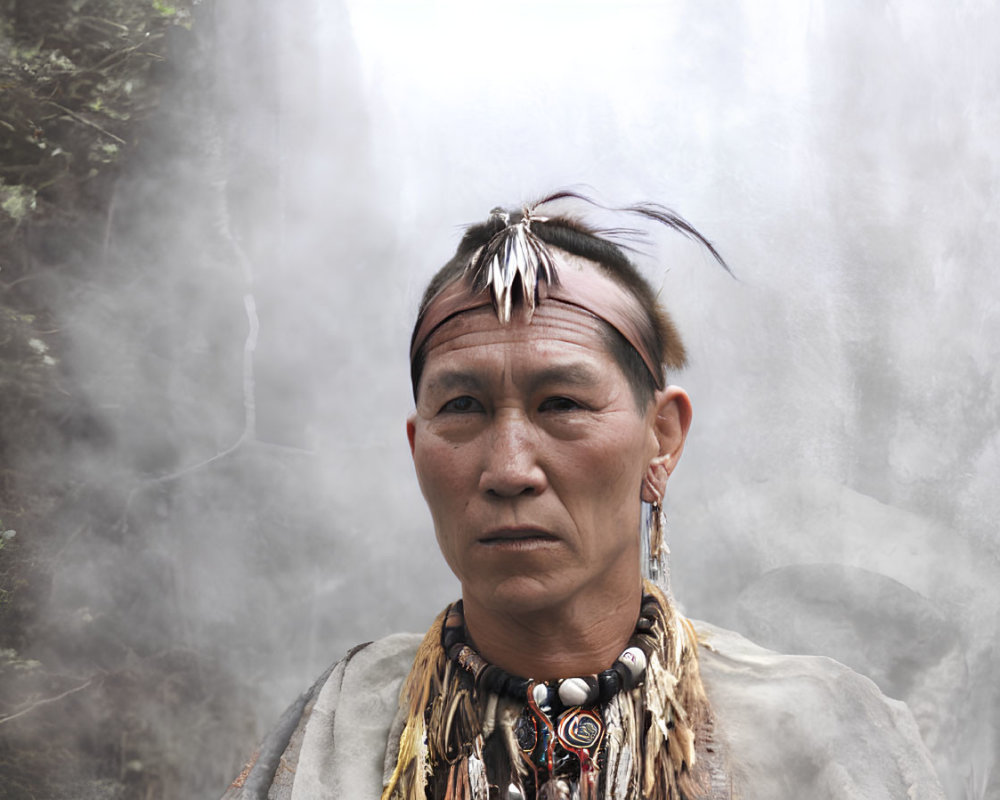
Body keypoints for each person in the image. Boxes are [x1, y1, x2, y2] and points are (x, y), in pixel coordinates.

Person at [222, 194, 945, 800]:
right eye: (463, 408)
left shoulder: (819, 736)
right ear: (418, 449)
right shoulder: (341, 730)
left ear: (660, 440)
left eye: (562, 403)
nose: (508, 469)